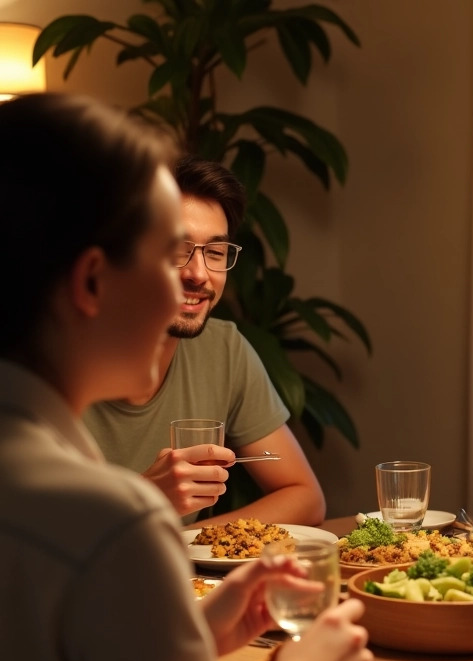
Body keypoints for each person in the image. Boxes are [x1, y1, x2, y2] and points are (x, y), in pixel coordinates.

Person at [0, 93, 372, 661]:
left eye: (209, 254)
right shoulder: (106, 524)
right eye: (164, 253)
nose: (188, 282)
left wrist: (196, 636)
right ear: (91, 282)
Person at [82, 156, 325, 527]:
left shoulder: (222, 349)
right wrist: (143, 500)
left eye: (215, 253)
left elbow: (304, 496)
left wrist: (185, 544)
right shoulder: (49, 365)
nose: (199, 274)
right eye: (177, 249)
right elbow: (7, 552)